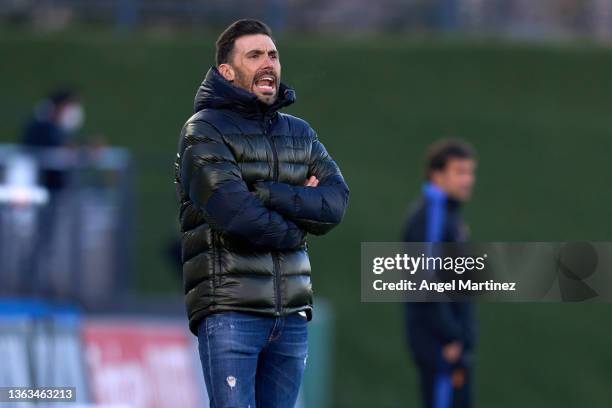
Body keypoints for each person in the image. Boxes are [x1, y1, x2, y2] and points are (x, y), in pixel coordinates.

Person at [174, 19, 349, 408]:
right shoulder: (203, 130)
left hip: (291, 314)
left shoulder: (300, 133)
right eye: (254, 55)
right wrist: (297, 224)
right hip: (231, 310)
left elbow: (335, 203)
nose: (268, 62)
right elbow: (237, 216)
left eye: (273, 54)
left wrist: (268, 193)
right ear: (227, 71)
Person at [403, 139, 477, 408]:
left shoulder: (449, 217)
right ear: (437, 175)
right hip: (441, 345)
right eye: (459, 172)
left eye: (470, 172)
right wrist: (450, 336)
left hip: (454, 344)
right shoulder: (430, 216)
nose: (468, 179)